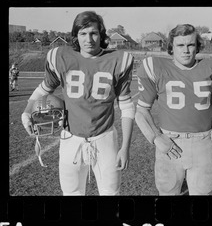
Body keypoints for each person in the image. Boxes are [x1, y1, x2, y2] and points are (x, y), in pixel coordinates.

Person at [21, 11, 135, 195]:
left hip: (104, 138)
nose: (88, 39)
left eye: (93, 33)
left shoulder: (117, 60)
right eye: (83, 33)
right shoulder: (61, 56)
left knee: (110, 194)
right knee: (71, 194)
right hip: (70, 139)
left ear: (102, 34)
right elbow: (44, 88)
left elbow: (127, 107)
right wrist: (26, 112)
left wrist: (125, 147)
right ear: (75, 36)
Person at [135, 24, 212, 195]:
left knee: (202, 194)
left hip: (204, 143)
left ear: (197, 46)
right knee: (167, 193)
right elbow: (141, 111)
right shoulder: (156, 68)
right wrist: (156, 138)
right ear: (171, 47)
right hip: (169, 142)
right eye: (180, 45)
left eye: (190, 45)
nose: (186, 50)